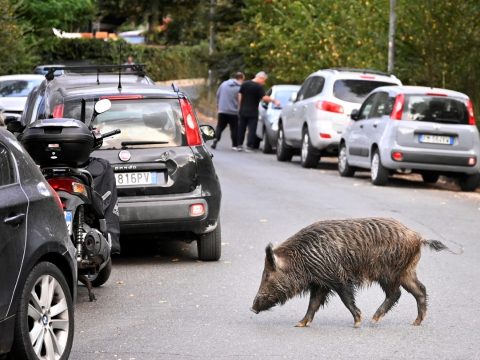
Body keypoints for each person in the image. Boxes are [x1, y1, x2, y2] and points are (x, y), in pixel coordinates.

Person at [237, 71, 279, 152]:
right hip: (253, 112)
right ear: (260, 78)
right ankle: (249, 146)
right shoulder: (258, 87)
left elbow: (239, 95)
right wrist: (274, 101)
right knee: (252, 129)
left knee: (241, 128)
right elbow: (264, 98)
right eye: (264, 80)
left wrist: (240, 106)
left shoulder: (244, 84)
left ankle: (239, 145)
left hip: (243, 110)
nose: (264, 83)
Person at [212, 72, 245, 150]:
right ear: (240, 78)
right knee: (234, 128)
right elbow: (240, 100)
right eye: (243, 79)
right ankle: (234, 145)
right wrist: (239, 110)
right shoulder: (240, 87)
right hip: (233, 112)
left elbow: (218, 95)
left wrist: (218, 106)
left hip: (222, 110)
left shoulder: (224, 84)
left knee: (220, 126)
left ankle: (215, 140)